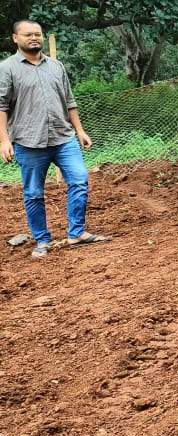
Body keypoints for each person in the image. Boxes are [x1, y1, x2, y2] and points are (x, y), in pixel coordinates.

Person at [0, 19, 111, 258]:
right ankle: (42, 240)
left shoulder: (56, 66)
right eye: (28, 34)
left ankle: (76, 233)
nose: (34, 38)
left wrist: (80, 130)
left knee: (79, 180)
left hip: (63, 137)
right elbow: (1, 106)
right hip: (29, 141)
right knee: (33, 192)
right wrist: (4, 140)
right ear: (15, 38)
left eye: (38, 34)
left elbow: (69, 101)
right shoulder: (7, 68)